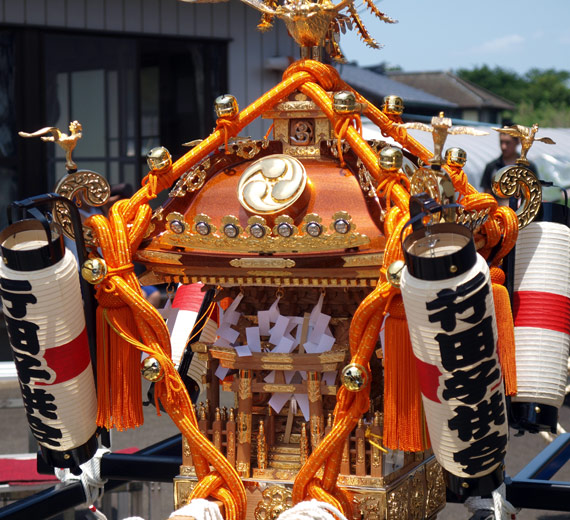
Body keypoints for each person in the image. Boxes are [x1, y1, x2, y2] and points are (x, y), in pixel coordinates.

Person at [480, 120, 537, 194]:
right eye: (501, 142)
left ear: (518, 141)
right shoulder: (491, 167)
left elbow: (534, 194)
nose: (503, 147)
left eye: (507, 143)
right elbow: (486, 196)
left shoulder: (528, 168)